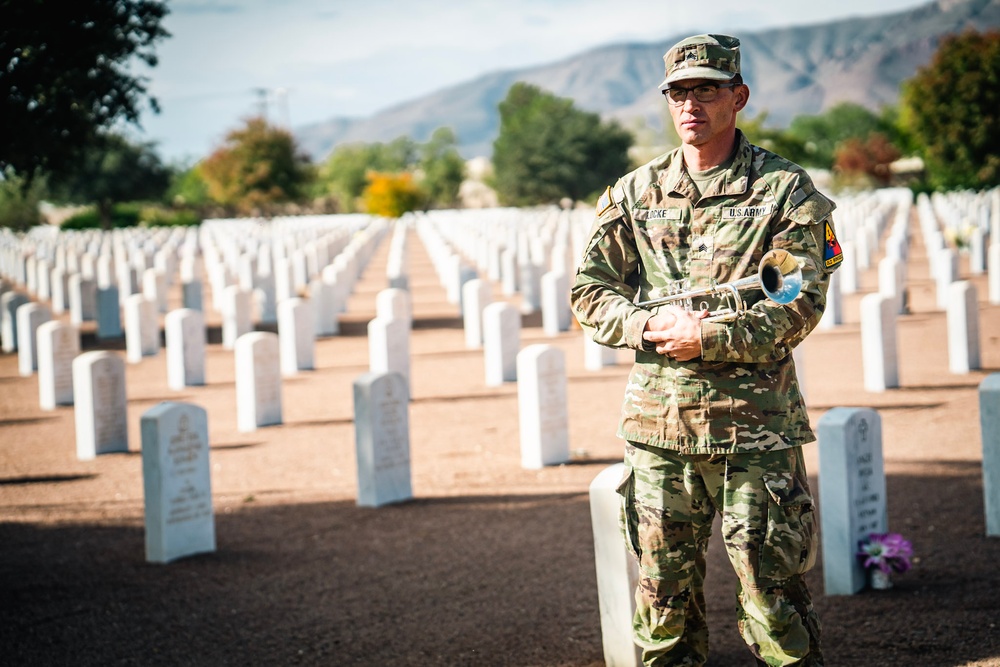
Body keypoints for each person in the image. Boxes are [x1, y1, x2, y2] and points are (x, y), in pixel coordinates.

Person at [570, 33, 842, 666]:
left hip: (752, 430)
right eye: (679, 91)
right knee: (661, 600)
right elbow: (591, 290)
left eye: (707, 89)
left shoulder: (786, 193)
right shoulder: (634, 193)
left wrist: (709, 335)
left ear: (738, 96)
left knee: (772, 595)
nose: (690, 103)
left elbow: (798, 303)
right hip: (658, 427)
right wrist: (646, 326)